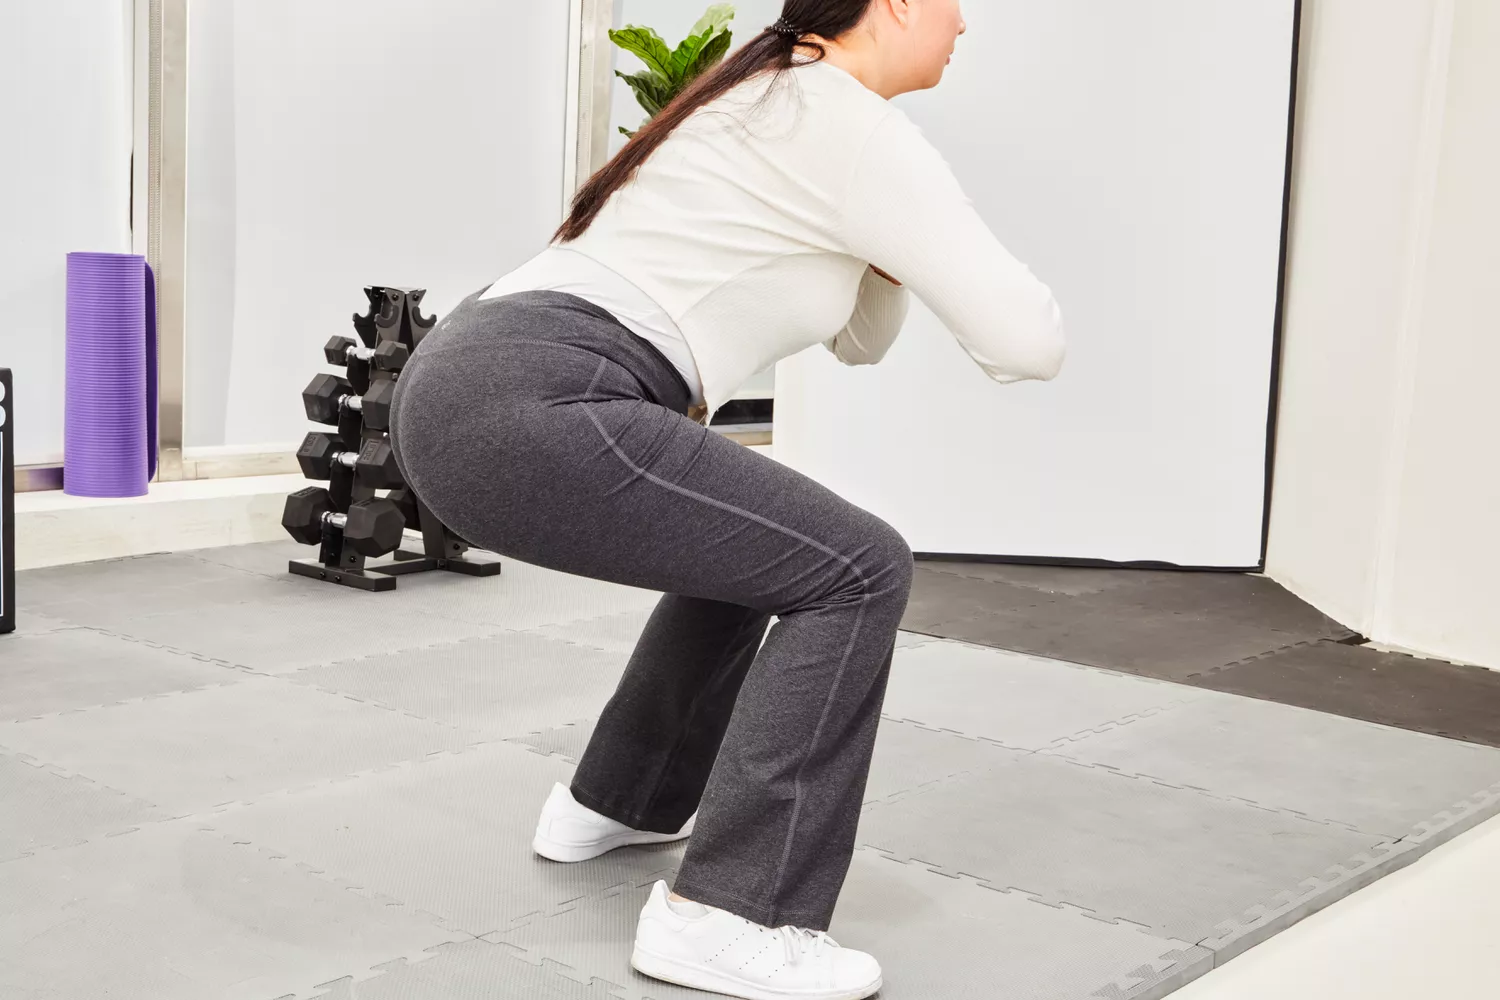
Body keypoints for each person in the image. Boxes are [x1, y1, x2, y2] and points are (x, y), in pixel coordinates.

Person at [389, 1, 1063, 997]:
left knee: (770, 549)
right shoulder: (850, 126)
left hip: (476, 383)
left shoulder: (766, 96)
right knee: (859, 566)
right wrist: (912, 226)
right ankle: (731, 913)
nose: (965, 21)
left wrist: (893, 250)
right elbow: (1029, 341)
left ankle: (621, 798)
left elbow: (859, 341)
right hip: (545, 393)